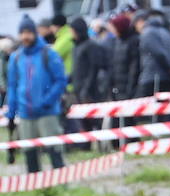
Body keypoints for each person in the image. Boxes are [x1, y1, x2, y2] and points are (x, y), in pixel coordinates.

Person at [6, 15, 67, 173]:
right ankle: (36, 188)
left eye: (28, 32)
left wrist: (47, 101)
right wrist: (11, 111)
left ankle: (61, 184)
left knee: (54, 151)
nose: (25, 36)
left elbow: (60, 81)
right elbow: (12, 86)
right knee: (30, 154)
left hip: (47, 112)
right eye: (22, 33)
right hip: (26, 114)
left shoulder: (49, 54)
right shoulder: (16, 57)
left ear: (34, 33)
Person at [136, 11, 170, 97]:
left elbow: (159, 53)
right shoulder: (165, 32)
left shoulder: (148, 33)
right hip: (166, 77)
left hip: (153, 76)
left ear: (141, 22)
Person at [69, 17, 109, 106]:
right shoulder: (76, 47)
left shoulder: (91, 46)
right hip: (78, 89)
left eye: (72, 31)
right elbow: (76, 68)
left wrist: (86, 89)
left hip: (90, 92)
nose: (71, 33)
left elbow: (94, 69)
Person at [108, 13, 139, 103]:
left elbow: (134, 67)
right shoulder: (117, 42)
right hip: (118, 86)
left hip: (128, 87)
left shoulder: (133, 41)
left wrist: (130, 88)